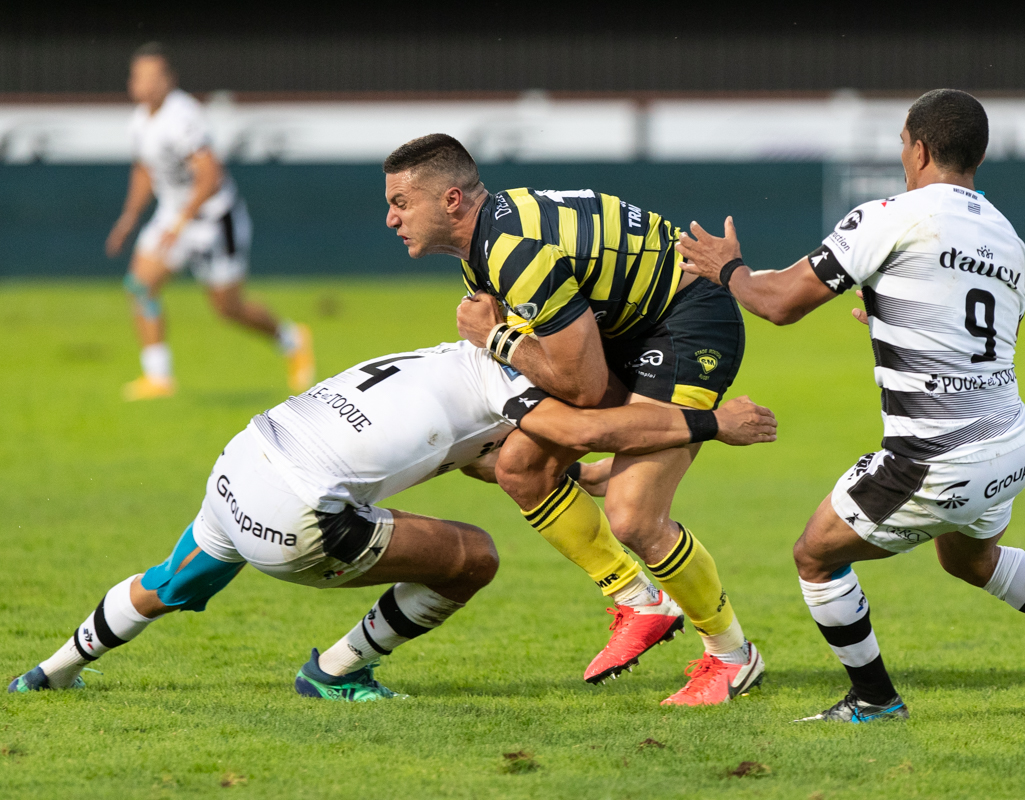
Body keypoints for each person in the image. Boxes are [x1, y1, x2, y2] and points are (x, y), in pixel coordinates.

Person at [676, 88, 1025, 722]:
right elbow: (981, 336)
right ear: (977, 157)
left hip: (934, 456)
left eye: (903, 145)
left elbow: (779, 303)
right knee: (969, 559)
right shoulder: (1009, 240)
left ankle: (874, 700)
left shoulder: (890, 216)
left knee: (816, 555)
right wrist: (897, 314)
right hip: (1010, 443)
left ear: (921, 149)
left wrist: (729, 269)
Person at [9, 341, 775, 701]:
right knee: (472, 558)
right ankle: (335, 673)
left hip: (244, 458)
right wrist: (712, 425)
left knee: (170, 580)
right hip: (300, 510)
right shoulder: (508, 385)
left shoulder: (446, 358)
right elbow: (578, 430)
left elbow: (506, 461)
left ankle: (48, 672)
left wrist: (597, 480)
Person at [381, 135, 762, 706]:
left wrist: (495, 337)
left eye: (401, 203)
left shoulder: (513, 251)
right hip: (622, 329)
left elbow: (580, 385)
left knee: (634, 516)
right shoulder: (484, 249)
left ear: (452, 200)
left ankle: (733, 657)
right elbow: (576, 379)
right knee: (520, 468)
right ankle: (640, 602)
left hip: (686, 320)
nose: (391, 219)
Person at [104, 42, 314, 401]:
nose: (145, 84)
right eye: (139, 77)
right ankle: (158, 377)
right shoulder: (139, 120)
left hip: (214, 220)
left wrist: (181, 223)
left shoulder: (183, 116)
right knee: (140, 286)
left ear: (169, 79)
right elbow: (144, 170)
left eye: (153, 77)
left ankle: (291, 339)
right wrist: (129, 217)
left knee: (228, 308)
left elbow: (210, 175)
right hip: (173, 215)